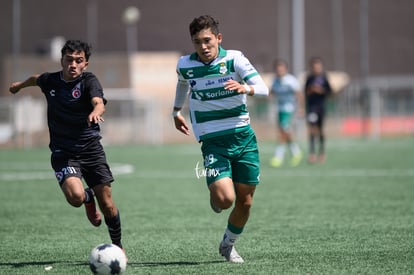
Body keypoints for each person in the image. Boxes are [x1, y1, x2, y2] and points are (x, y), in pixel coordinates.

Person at [9, 40, 125, 253]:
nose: (73, 64)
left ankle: (117, 246)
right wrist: (19, 85)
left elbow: (98, 101)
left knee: (107, 204)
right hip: (64, 152)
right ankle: (87, 198)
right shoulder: (51, 81)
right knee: (75, 198)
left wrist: (96, 111)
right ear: (61, 60)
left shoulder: (89, 81)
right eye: (69, 59)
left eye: (78, 61)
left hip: (91, 149)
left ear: (85, 64)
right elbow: (36, 79)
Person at [172, 15, 268, 263]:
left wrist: (245, 88)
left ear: (218, 38)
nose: (203, 47)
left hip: (244, 138)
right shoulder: (185, 64)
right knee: (226, 199)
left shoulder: (235, 59)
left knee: (245, 203)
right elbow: (183, 83)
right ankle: (217, 195)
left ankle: (228, 244)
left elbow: (264, 89)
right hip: (213, 140)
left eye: (207, 41)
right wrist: (176, 110)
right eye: (197, 42)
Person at [269, 60, 304, 167]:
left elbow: (299, 94)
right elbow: (271, 92)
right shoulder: (275, 80)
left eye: (281, 69)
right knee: (285, 132)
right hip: (280, 109)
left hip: (289, 110)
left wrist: (301, 108)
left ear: (286, 69)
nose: (279, 71)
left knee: (283, 133)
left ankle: (278, 156)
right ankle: (296, 152)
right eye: (278, 69)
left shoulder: (291, 80)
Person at [304, 57, 332, 163]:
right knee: (312, 129)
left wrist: (320, 90)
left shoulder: (324, 78)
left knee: (320, 130)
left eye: (318, 67)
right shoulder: (309, 78)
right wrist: (311, 90)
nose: (316, 69)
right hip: (311, 108)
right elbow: (305, 92)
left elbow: (330, 92)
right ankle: (312, 154)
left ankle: (322, 152)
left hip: (321, 107)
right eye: (314, 67)